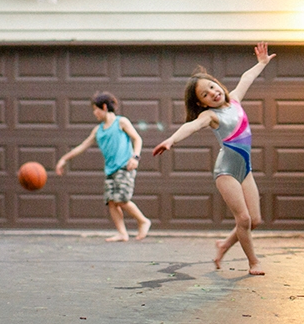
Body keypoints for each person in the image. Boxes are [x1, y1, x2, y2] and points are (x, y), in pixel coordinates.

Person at [152, 42, 275, 275]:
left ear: (218, 83)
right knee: (244, 217)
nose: (213, 93)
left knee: (255, 220)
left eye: (212, 86)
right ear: (202, 103)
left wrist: (261, 63)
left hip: (245, 169)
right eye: (205, 94)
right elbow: (192, 125)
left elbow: (246, 78)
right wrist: (171, 140)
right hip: (226, 171)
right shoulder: (210, 115)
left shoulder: (236, 100)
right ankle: (253, 262)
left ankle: (223, 245)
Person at [55, 92, 152, 242]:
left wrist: (136, 157)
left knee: (122, 199)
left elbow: (137, 138)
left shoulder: (121, 122)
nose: (94, 113)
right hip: (110, 170)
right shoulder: (98, 131)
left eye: (96, 109)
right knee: (111, 202)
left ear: (104, 107)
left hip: (124, 166)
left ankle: (143, 220)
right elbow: (81, 147)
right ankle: (122, 233)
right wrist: (64, 159)